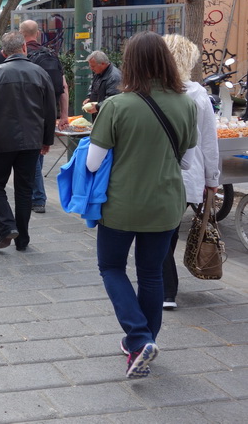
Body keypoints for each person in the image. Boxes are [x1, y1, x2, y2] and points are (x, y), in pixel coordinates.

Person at [86, 31, 197, 379]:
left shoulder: (117, 105)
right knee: (151, 275)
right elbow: (188, 161)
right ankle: (143, 343)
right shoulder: (187, 103)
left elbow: (92, 163)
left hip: (122, 204)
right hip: (165, 203)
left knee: (112, 268)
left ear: (130, 63)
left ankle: (138, 338)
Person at [0, 31, 55, 252]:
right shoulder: (40, 73)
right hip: (31, 140)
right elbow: (49, 110)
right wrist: (47, 139)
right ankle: (22, 238)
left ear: (3, 52)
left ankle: (7, 226)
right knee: (24, 190)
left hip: (1, 141)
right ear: (24, 48)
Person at [159, 35, 219, 311]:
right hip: (189, 174)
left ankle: (166, 289)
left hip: (158, 172)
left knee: (164, 232)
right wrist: (212, 180)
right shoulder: (198, 94)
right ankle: (164, 287)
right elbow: (209, 142)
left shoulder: (151, 90)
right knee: (168, 230)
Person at [18, 19, 69, 214]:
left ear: (21, 35)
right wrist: (63, 115)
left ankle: (38, 198)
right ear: (38, 33)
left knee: (33, 159)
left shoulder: (25, 56)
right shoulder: (52, 55)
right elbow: (63, 87)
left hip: (29, 115)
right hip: (48, 113)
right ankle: (36, 196)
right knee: (38, 156)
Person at [83, 50, 122, 117]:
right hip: (99, 112)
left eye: (93, 66)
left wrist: (97, 107)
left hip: (108, 115)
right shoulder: (99, 72)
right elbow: (94, 86)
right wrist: (90, 98)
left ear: (103, 64)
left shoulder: (114, 77)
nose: (91, 68)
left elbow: (113, 99)